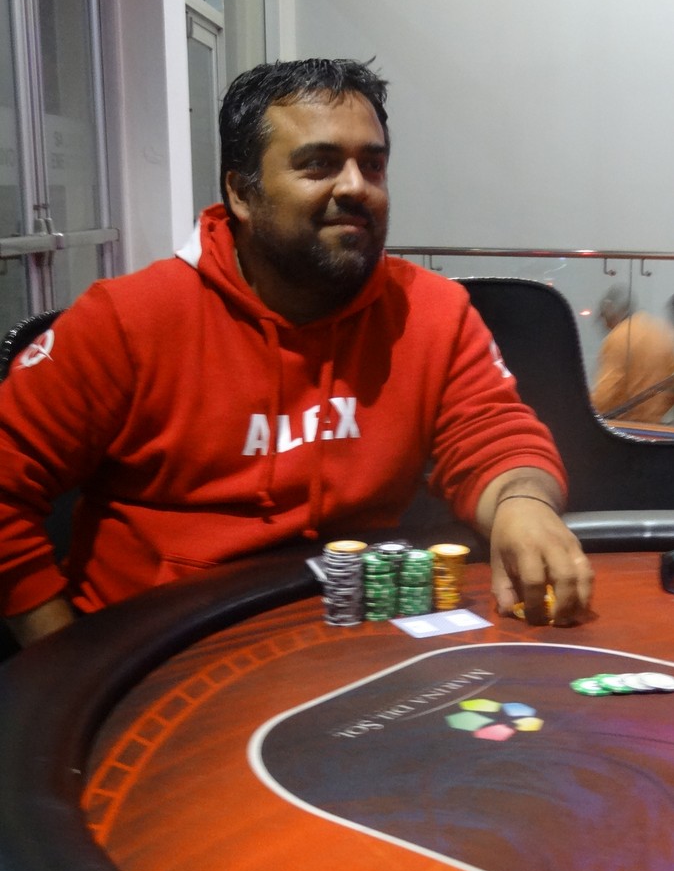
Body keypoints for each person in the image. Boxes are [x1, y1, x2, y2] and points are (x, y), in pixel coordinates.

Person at [0, 58, 593, 647]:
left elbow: (495, 438)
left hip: (351, 638)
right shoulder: (126, 320)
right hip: (153, 651)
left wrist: (522, 504)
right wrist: (61, 659)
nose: (356, 187)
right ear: (241, 193)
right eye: (319, 165)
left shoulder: (433, 311)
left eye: (373, 165)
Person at [592, 283, 674, 423]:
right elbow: (671, 388)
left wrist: (584, 410)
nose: (605, 325)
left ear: (610, 309)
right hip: (655, 426)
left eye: (603, 317)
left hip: (625, 426)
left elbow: (605, 394)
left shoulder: (619, 337)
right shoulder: (660, 332)